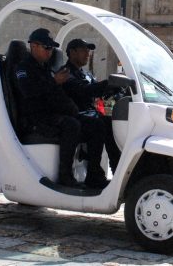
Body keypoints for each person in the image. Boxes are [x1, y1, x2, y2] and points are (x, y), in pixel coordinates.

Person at [16, 28, 107, 189]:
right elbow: (29, 92)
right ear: (34, 46)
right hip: (36, 117)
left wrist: (71, 108)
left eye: (51, 48)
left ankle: (94, 174)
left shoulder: (45, 68)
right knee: (71, 125)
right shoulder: (24, 68)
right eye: (47, 48)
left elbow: (58, 95)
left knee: (97, 124)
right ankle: (65, 175)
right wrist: (54, 81)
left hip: (52, 114)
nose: (50, 52)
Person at [61, 38, 121, 172]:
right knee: (100, 124)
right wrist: (109, 83)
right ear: (72, 52)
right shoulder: (66, 73)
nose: (87, 54)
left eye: (88, 51)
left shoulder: (85, 74)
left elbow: (97, 92)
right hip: (75, 116)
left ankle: (117, 168)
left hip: (88, 114)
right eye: (83, 50)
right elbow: (84, 90)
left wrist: (114, 90)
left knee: (111, 120)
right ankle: (94, 173)